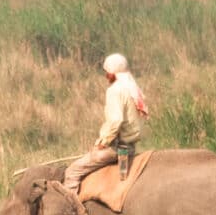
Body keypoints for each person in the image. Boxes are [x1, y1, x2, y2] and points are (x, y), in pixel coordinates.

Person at [62, 53, 150, 193]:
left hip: (117, 149)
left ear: (113, 73)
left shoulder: (115, 90)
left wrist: (102, 143)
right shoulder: (132, 88)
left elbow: (116, 121)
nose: (106, 76)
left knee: (72, 171)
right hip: (130, 147)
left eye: (107, 72)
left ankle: (71, 210)